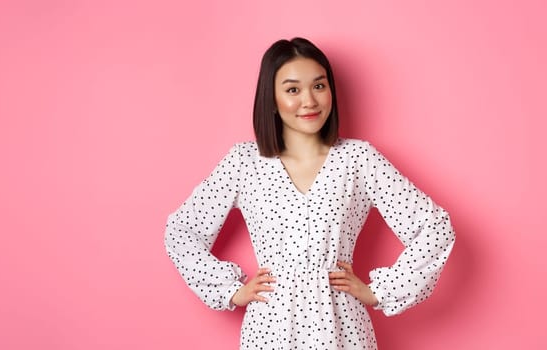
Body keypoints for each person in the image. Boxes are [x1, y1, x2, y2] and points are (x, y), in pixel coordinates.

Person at [164, 37, 456, 349]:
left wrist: (380, 291)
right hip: (269, 330)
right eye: (293, 89)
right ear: (272, 99)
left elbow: (435, 227)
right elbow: (181, 230)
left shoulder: (358, 159)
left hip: (343, 329)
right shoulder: (244, 163)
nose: (310, 101)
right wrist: (229, 290)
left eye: (319, 86)